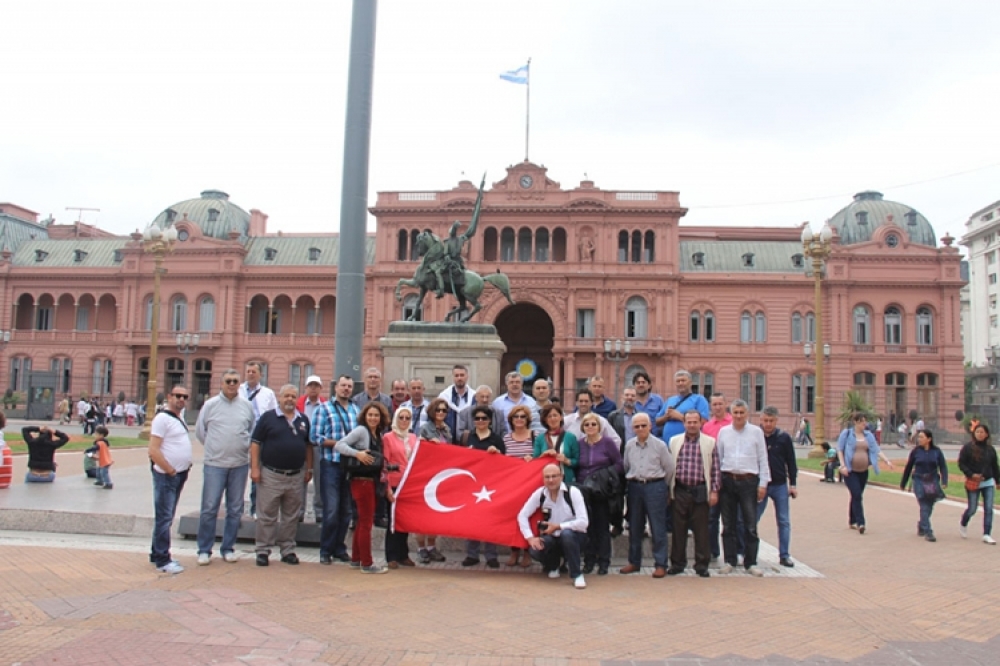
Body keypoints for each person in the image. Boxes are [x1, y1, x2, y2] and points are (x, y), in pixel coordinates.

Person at [194, 369, 256, 565]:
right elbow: (200, 432)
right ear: (221, 383)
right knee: (209, 508)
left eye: (235, 381)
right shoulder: (210, 405)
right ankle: (204, 549)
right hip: (215, 465)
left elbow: (251, 431)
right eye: (228, 381)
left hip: (239, 464)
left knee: (235, 509)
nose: (231, 384)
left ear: (240, 384)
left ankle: (228, 547)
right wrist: (216, 448)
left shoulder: (246, 406)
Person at [251, 385, 313, 567]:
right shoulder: (268, 418)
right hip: (271, 474)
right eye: (286, 396)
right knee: (267, 515)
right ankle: (262, 550)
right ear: (280, 397)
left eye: (293, 396)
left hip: (295, 476)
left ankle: (287, 549)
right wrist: (254, 468)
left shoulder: (303, 420)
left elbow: (308, 446)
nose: (290, 400)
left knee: (291, 516)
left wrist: (309, 469)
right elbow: (255, 443)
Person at [335, 401, 390, 574]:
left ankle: (356, 558)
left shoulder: (377, 434)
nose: (373, 418)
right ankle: (367, 563)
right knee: (366, 522)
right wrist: (357, 453)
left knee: (361, 521)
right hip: (361, 481)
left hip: (370, 481)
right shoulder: (361, 431)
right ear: (364, 416)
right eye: (370, 415)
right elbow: (339, 444)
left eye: (376, 415)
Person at [716, 399, 770, 576]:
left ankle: (751, 562)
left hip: (749, 481)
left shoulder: (756, 433)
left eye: (741, 413)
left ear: (747, 414)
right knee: (728, 524)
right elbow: (719, 459)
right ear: (731, 414)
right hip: (728, 480)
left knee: (750, 524)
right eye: (735, 413)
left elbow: (763, 459)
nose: (738, 416)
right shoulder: (723, 433)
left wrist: (763, 484)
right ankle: (730, 560)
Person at [517, 463, 590, 589]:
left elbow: (583, 522)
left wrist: (558, 526)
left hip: (575, 536)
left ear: (561, 476)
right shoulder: (540, 494)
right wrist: (530, 538)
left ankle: (577, 575)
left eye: (554, 476)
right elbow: (522, 515)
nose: (551, 480)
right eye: (547, 477)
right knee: (535, 548)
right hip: (552, 537)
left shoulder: (573, 492)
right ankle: (554, 565)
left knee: (567, 535)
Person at [311, 375, 359, 565]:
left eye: (349, 386)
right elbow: (315, 437)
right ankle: (326, 549)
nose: (346, 389)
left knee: (346, 511)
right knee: (331, 509)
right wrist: (340, 444)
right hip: (331, 464)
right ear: (335, 388)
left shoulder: (356, 410)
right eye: (343, 386)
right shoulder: (323, 409)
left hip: (350, 466)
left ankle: (340, 548)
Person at [147, 386, 193, 574]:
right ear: (169, 397)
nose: (181, 399)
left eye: (184, 396)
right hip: (167, 475)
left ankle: (155, 552)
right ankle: (162, 559)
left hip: (178, 474)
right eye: (177, 396)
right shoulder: (162, 419)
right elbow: (153, 450)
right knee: (164, 517)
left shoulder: (179, 417)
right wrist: (170, 470)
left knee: (166, 516)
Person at [668, 411, 720, 577]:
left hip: (700, 490)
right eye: (688, 422)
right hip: (680, 489)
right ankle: (677, 564)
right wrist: (669, 490)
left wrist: (714, 491)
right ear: (684, 423)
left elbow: (716, 469)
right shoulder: (674, 441)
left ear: (700, 423)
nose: (691, 425)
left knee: (701, 530)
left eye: (694, 422)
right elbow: (670, 467)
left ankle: (701, 565)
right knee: (678, 529)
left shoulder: (710, 442)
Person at [620, 412, 671, 578]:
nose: (640, 428)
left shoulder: (660, 445)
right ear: (632, 428)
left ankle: (661, 564)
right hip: (635, 487)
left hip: (655, 486)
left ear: (650, 426)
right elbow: (626, 466)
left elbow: (669, 469)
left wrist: (665, 488)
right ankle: (634, 562)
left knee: (657, 527)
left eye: (643, 425)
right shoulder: (629, 445)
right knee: (635, 527)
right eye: (637, 426)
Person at [579, 412, 624, 576]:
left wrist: (603, 475)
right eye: (587, 424)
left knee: (602, 528)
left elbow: (619, 464)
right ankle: (589, 561)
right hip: (584, 491)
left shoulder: (607, 443)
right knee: (588, 527)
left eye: (593, 424)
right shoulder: (579, 444)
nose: (590, 427)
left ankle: (604, 561)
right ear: (583, 427)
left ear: (599, 426)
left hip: (602, 491)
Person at [836, 412, 895, 535]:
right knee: (857, 494)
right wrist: (843, 465)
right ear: (856, 422)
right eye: (862, 422)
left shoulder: (868, 435)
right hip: (850, 471)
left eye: (865, 421)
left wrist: (887, 460)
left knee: (856, 495)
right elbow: (840, 450)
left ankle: (852, 519)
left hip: (863, 471)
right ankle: (860, 522)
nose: (865, 424)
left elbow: (876, 449)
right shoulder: (847, 434)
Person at [463, 405, 506, 567]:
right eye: (477, 418)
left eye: (484, 418)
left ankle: (491, 556)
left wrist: (498, 453)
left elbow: (506, 463)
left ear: (489, 421)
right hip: (471, 485)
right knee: (471, 519)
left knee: (490, 519)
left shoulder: (496, 439)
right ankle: (472, 554)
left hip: (491, 485)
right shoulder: (467, 437)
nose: (480, 421)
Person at [757, 406, 798, 567]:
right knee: (753, 518)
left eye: (771, 421)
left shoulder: (784, 438)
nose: (768, 424)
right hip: (761, 485)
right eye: (765, 420)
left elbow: (791, 462)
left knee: (783, 520)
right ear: (761, 420)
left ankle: (784, 554)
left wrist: (793, 484)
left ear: (776, 421)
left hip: (780, 484)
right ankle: (748, 551)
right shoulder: (756, 435)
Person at [415, 398, 451, 564]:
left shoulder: (447, 430)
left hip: (441, 476)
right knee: (422, 515)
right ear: (432, 412)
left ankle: (432, 547)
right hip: (425, 476)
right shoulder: (424, 429)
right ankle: (421, 548)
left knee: (434, 514)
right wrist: (429, 443)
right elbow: (416, 449)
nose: (441, 413)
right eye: (438, 410)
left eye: (444, 411)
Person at [240, 361, 278, 518]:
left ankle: (255, 508)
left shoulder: (267, 393)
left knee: (257, 473)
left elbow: (273, 416)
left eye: (254, 371)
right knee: (238, 475)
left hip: (259, 439)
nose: (250, 374)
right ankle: (235, 508)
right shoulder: (238, 390)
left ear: (261, 374)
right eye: (248, 371)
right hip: (240, 437)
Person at [383, 406, 417, 569]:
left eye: (407, 418)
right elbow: (385, 464)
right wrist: (388, 487)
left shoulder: (413, 437)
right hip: (394, 484)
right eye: (401, 417)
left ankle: (403, 554)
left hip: (408, 486)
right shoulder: (388, 438)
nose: (404, 421)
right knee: (392, 522)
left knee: (405, 520)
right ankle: (391, 556)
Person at [900, 429, 948, 542]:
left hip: (932, 480)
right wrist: (903, 482)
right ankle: (928, 531)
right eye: (919, 437)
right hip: (919, 479)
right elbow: (908, 467)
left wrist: (944, 481)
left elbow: (943, 466)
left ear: (929, 439)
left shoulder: (936, 451)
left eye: (922, 437)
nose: (919, 439)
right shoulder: (916, 452)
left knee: (930, 505)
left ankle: (922, 524)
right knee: (923, 504)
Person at [503, 404, 536, 568]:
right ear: (511, 420)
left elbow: (542, 456)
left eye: (523, 416)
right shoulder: (506, 438)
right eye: (516, 417)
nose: (519, 419)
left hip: (530, 485)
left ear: (528, 419)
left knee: (529, 517)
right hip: (512, 485)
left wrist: (533, 458)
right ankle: (514, 551)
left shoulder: (536, 436)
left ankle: (527, 552)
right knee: (513, 518)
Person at [702, 392, 732, 560]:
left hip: (729, 475)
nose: (718, 407)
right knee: (711, 517)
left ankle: (733, 552)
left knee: (730, 518)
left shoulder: (733, 423)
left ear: (725, 404)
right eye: (715, 404)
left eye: (720, 404)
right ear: (711, 407)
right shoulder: (707, 426)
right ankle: (713, 551)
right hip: (712, 475)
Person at [958, 423, 999, 545]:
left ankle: (986, 534)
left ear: (986, 434)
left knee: (988, 508)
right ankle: (963, 523)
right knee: (972, 508)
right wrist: (971, 474)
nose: (980, 434)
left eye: (982, 432)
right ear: (974, 434)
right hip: (973, 482)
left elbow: (995, 466)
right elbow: (961, 464)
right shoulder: (968, 448)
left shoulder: (990, 449)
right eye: (977, 432)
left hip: (988, 482)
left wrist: (998, 481)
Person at [296, 375, 327, 522]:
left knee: (320, 480)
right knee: (301, 478)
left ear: (321, 388)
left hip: (319, 446)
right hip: (301, 446)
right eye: (311, 385)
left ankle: (319, 510)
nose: (313, 388)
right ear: (306, 388)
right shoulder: (298, 404)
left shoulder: (326, 405)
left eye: (316, 385)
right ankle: (299, 511)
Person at [655, 370, 710, 442]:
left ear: (690, 383)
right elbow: (657, 421)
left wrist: (679, 416)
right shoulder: (670, 400)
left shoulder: (699, 399)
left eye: (683, 380)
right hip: (668, 443)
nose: (680, 383)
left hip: (689, 444)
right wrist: (666, 417)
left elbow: (703, 422)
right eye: (678, 381)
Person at [533, 403, 579, 484]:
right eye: (549, 416)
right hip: (547, 481)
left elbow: (577, 461)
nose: (552, 419)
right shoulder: (539, 439)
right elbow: (534, 463)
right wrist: (543, 455)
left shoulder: (570, 437)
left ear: (561, 417)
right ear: (545, 420)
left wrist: (566, 460)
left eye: (555, 415)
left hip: (566, 479)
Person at [438, 364, 473, 442]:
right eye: (456, 375)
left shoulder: (474, 397)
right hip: (448, 438)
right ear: (453, 378)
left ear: (467, 377)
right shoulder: (443, 396)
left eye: (462, 375)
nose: (459, 378)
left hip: (468, 439)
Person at [608, 387, 638, 453]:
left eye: (633, 395)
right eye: (627, 395)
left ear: (636, 398)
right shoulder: (613, 416)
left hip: (638, 452)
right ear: (622, 397)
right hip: (620, 453)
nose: (630, 397)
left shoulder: (641, 417)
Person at [85, 425, 114, 489]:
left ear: (101, 435)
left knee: (104, 473)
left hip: (105, 461)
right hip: (102, 460)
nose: (95, 435)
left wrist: (88, 450)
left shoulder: (100, 443)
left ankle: (108, 483)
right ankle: (100, 480)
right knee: (98, 471)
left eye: (96, 434)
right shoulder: (103, 442)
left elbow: (95, 448)